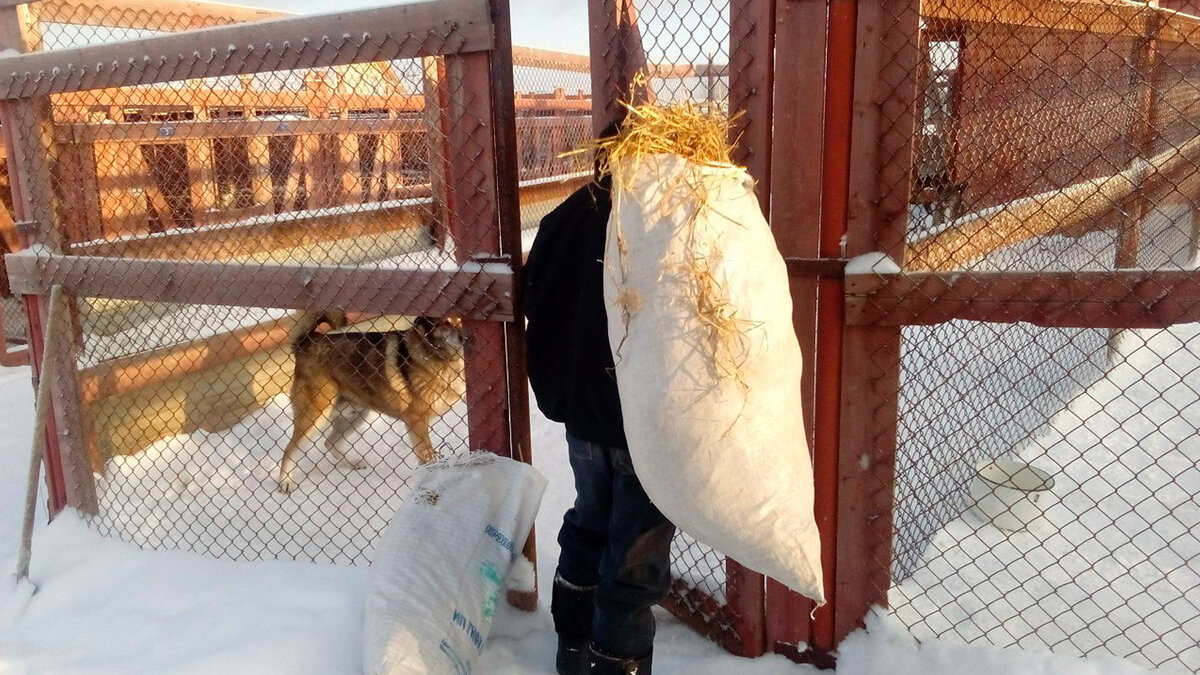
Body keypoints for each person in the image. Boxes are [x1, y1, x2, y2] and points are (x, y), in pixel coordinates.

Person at [523, 121, 675, 675]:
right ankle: (615, 662)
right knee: (636, 553)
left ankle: (572, 647)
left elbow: (536, 299)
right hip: (644, 419)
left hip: (584, 414)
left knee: (589, 520)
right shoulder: (668, 226)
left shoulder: (565, 217)